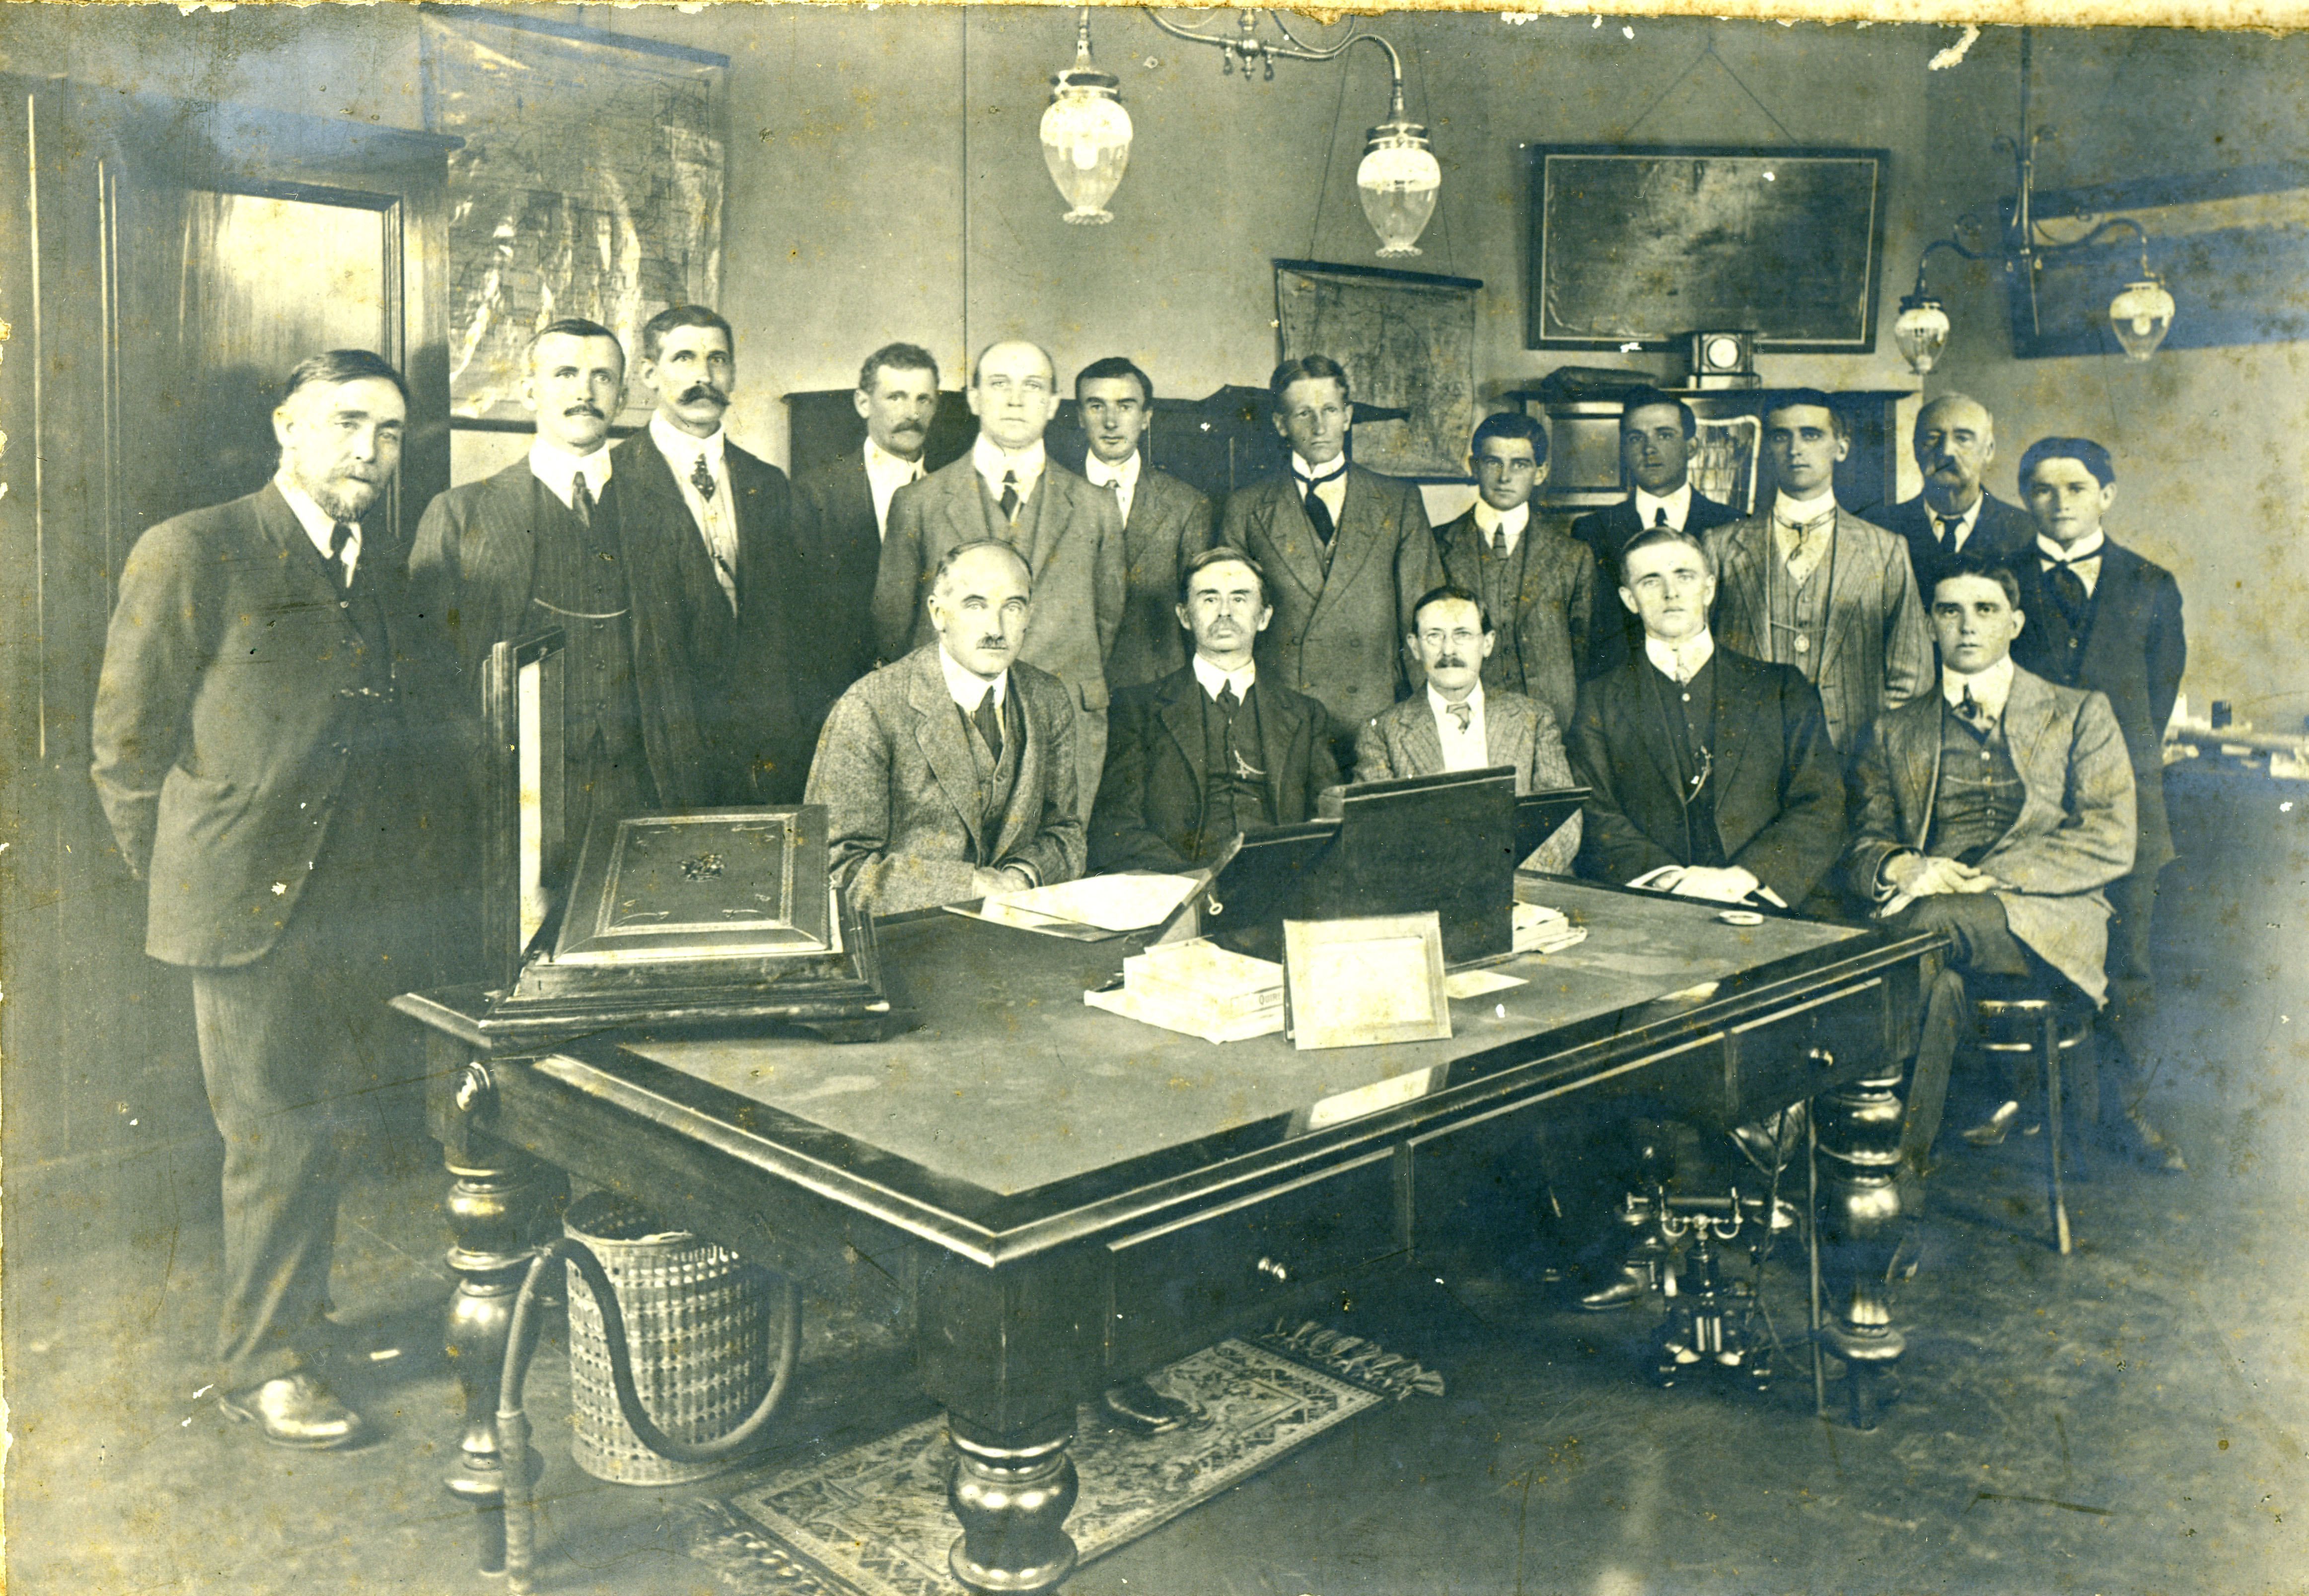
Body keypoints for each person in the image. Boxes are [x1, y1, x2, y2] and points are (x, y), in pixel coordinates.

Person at [92, 350, 426, 1449]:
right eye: (345, 424)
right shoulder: (197, 547)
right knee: (274, 1136)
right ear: (287, 427)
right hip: (243, 905)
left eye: (387, 431)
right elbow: (126, 748)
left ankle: (303, 1321)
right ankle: (262, 1365)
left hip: (344, 905)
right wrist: (193, 876)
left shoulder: (370, 564)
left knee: (325, 1129)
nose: (368, 451)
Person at [1845, 559, 2137, 1181]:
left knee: (1917, 931)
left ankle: (1862, 1151)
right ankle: (1903, 1176)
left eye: (1985, 610)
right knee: (1937, 974)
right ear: (1930, 624)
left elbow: (2112, 836)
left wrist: (1995, 877)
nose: (1967, 626)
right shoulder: (1895, 729)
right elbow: (1866, 840)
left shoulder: (2079, 711)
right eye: (1949, 611)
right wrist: (1905, 864)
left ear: (2015, 622)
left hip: (2046, 917)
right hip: (1931, 913)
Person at [409, 318, 733, 840]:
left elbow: (713, 653)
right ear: (528, 389)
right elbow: (426, 681)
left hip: (647, 794)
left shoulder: (666, 513)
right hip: (512, 804)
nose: (584, 391)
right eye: (565, 373)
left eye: (602, 377)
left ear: (625, 394)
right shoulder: (459, 514)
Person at [2008, 437, 2188, 1168]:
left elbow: (2158, 688)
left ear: (2105, 495)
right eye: (2043, 489)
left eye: (2075, 487)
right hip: (2031, 806)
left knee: (2129, 961)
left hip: (2128, 806)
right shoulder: (2000, 578)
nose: (2059, 502)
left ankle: (2127, 1111)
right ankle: (2024, 1104)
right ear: (2025, 498)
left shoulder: (2150, 581)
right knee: (2030, 950)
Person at [872, 340, 1124, 815]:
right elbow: (892, 627)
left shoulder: (1097, 507)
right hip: (947, 727)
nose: (1015, 399)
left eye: (1032, 386)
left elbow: (1107, 620)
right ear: (972, 398)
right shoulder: (919, 503)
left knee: (1053, 869)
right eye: (999, 384)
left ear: (1053, 404)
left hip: (1065, 722)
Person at [1568, 527, 1845, 911]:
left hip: (1770, 905)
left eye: (1684, 576)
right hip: (1656, 908)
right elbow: (1595, 811)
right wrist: (1669, 880)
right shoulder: (1598, 699)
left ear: (1710, 588)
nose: (1671, 593)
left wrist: (1742, 878)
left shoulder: (1781, 688)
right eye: (1652, 581)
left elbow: (1822, 803)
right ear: (1629, 600)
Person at [811, 540, 1084, 916]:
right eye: (976, 605)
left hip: (1017, 931)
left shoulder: (1049, 698)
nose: (996, 628)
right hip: (906, 942)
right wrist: (971, 884)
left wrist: (1023, 876)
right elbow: (834, 868)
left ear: (1029, 617)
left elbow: (1066, 835)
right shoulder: (869, 707)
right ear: (939, 615)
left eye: (1013, 607)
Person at [613, 304, 812, 801]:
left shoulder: (768, 484)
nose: (704, 376)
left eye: (718, 360)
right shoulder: (611, 478)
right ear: (649, 374)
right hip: (655, 738)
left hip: (755, 746)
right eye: (684, 358)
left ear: (733, 374)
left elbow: (785, 626)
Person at [1219, 355, 1442, 770]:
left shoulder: (1399, 500)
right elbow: (1229, 622)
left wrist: (1425, 714)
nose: (1319, 426)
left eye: (1330, 411)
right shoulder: (1246, 508)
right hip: (1282, 714)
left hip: (1377, 714)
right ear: (1281, 424)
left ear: (1348, 416)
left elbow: (1424, 616)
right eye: (1303, 413)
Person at [1706, 389, 1933, 758]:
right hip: (1749, 758)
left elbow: (1912, 674)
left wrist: (1875, 755)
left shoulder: (1886, 549)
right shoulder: (1721, 545)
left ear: (1841, 448)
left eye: (1811, 434)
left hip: (1853, 760)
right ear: (1767, 448)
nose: (1795, 448)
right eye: (1781, 436)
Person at [1089, 547, 1338, 874]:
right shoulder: (1136, 709)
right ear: (1184, 616)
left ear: (1264, 617)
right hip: (1180, 891)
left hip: (1283, 886)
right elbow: (1118, 829)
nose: (1225, 612)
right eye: (1209, 599)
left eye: (1240, 598)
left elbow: (1330, 825)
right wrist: (1195, 884)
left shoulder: (1307, 715)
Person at [1354, 584, 1582, 875]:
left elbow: (1563, 818)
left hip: (1529, 888)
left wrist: (1514, 881)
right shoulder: (1381, 733)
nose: (1448, 650)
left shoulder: (1534, 718)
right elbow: (1379, 832)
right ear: (1414, 646)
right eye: (1434, 636)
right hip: (1431, 891)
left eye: (1462, 635)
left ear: (1487, 643)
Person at [791, 342, 942, 720]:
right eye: (896, 397)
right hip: (840, 702)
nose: (912, 413)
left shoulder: (954, 492)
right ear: (863, 403)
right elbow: (798, 615)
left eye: (924, 400)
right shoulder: (814, 493)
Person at [1432, 411, 1594, 732]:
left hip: (1551, 724)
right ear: (1474, 466)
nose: (1505, 477)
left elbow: (1584, 652)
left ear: (1541, 471)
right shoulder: (1437, 546)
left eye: (1520, 464)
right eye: (1493, 462)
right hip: (1463, 721)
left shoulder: (1574, 554)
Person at [1570, 386, 1741, 679]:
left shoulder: (1732, 524)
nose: (1649, 448)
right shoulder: (1592, 531)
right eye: (1637, 438)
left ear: (1692, 448)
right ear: (1624, 450)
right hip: (1623, 692)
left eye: (1665, 435)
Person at [1073, 355, 1215, 694]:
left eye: (1125, 406)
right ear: (1079, 417)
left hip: (1157, 692)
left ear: (1146, 417)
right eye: (1096, 407)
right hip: (1073, 688)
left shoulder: (1187, 504)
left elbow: (1199, 617)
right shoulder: (1051, 497)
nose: (1110, 422)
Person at [1876, 393, 2034, 603]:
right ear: (1915, 449)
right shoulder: (1879, 528)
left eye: (1963, 438)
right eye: (1932, 438)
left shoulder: (2026, 531)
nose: (1946, 451)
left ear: (1988, 451)